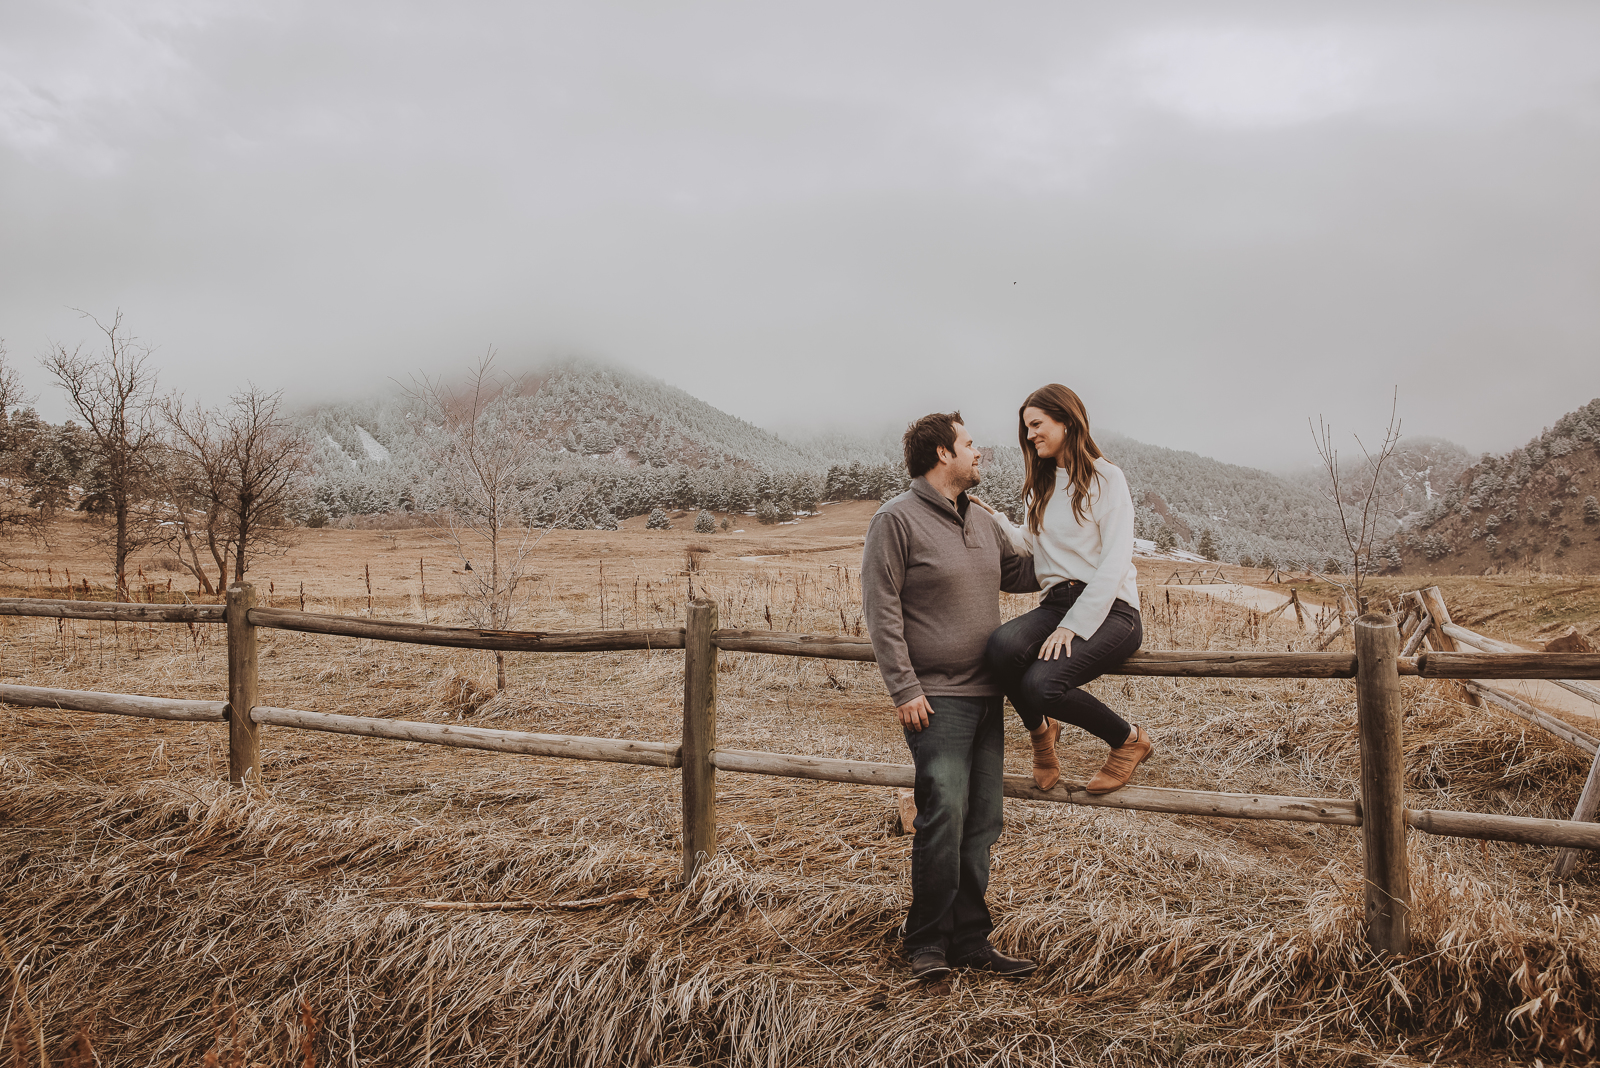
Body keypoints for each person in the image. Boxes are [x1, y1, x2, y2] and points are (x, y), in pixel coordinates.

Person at [862, 411, 1041, 982]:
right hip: (935, 700)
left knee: (983, 822)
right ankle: (927, 944)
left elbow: (1024, 573)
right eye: (969, 443)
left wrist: (1098, 558)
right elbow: (881, 609)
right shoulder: (896, 520)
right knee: (943, 815)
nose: (978, 451)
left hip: (990, 696)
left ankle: (970, 940)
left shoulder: (982, 523)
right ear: (942, 453)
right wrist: (904, 688)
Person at [978, 384, 1152, 795]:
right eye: (1026, 428)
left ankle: (1128, 741)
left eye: (1037, 424)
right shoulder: (1042, 484)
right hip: (1056, 602)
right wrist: (995, 520)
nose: (1029, 434)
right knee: (999, 648)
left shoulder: (1108, 478)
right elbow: (1031, 547)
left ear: (1066, 420)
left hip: (1113, 609)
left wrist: (1073, 625)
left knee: (1041, 685)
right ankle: (1042, 732)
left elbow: (1114, 562)